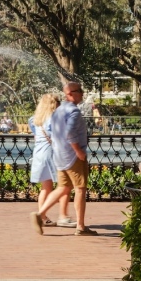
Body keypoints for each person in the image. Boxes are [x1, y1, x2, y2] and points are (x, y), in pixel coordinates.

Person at [31, 82, 97, 236]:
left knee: (63, 187)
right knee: (80, 189)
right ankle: (80, 226)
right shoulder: (74, 111)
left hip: (59, 156)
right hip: (73, 157)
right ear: (71, 94)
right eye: (80, 91)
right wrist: (78, 151)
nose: (82, 93)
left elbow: (54, 133)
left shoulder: (58, 111)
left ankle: (40, 214)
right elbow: (69, 133)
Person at [28, 94, 73, 227]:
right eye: (58, 102)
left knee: (45, 188)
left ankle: (42, 217)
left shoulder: (35, 119)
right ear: (54, 104)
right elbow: (59, 137)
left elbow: (36, 135)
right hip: (51, 153)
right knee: (64, 185)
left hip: (39, 154)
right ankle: (63, 216)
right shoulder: (54, 119)